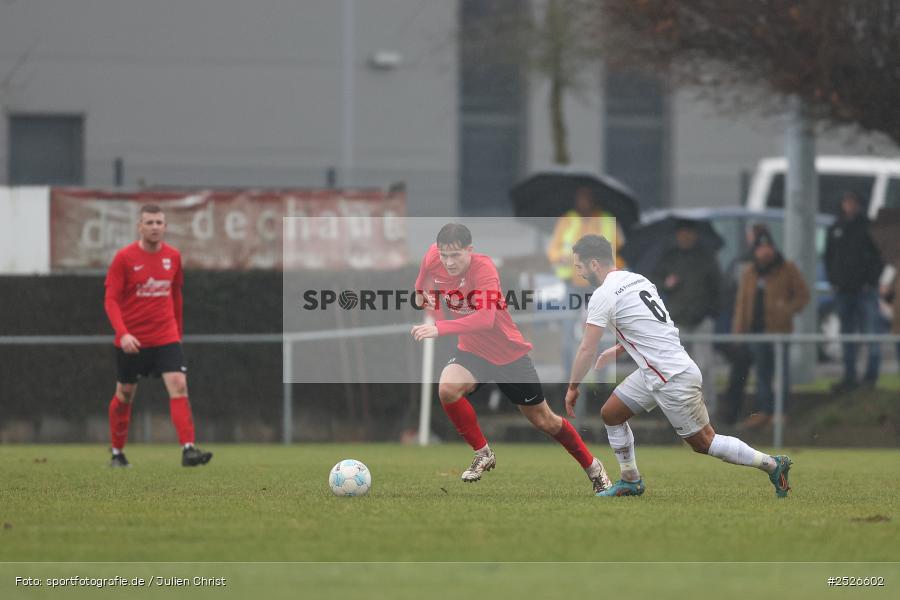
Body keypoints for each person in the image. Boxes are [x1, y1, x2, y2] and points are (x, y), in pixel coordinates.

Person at [563, 234, 792, 498]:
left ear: (593, 264)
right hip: (659, 370)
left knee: (704, 442)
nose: (578, 274)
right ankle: (630, 479)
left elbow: (586, 348)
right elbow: (654, 327)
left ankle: (773, 465)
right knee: (611, 414)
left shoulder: (602, 295)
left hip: (670, 376)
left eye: (579, 267)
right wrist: (619, 348)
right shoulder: (638, 279)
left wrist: (572, 387)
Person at [411, 223, 612, 493]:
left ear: (469, 250)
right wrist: (432, 311)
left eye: (456, 255)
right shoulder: (432, 257)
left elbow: (485, 319)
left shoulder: (484, 270)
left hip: (508, 355)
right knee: (447, 389)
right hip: (472, 351)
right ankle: (483, 452)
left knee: (545, 421)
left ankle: (593, 468)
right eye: (444, 255)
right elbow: (421, 285)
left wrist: (439, 327)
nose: (449, 262)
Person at [104, 204, 212, 468]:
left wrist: (178, 333)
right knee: (125, 394)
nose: (155, 227)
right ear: (139, 226)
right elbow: (111, 300)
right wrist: (123, 333)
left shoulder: (173, 257)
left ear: (165, 227)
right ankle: (117, 453)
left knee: (178, 384)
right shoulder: (124, 258)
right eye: (149, 222)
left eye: (159, 223)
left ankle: (188, 450)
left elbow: (176, 296)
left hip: (166, 336)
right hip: (132, 341)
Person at [732, 230, 809, 429]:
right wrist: (738, 329)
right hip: (756, 333)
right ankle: (764, 412)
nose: (764, 252)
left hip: (778, 332)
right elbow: (742, 302)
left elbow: (803, 296)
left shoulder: (787, 269)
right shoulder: (750, 272)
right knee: (762, 375)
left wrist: (786, 309)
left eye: (768, 247)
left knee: (781, 374)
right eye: (760, 248)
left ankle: (781, 413)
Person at [546, 187, 625, 377]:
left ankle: (601, 380)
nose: (584, 203)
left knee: (601, 336)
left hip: (599, 286)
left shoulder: (606, 220)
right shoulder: (568, 219)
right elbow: (553, 250)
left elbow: (619, 251)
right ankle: (568, 380)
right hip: (572, 284)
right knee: (567, 335)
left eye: (587, 198)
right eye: (580, 198)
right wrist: (561, 258)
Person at [651, 218, 722, 409]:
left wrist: (711, 311)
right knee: (676, 370)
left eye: (689, 233)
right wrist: (667, 283)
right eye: (682, 233)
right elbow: (655, 280)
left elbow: (718, 286)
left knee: (703, 367)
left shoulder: (706, 257)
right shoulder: (669, 257)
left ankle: (708, 409)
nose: (686, 237)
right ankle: (678, 410)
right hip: (678, 320)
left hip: (701, 320)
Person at [825, 191, 885, 392]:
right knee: (847, 334)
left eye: (852, 202)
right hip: (843, 291)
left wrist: (871, 281)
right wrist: (833, 280)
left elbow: (879, 257)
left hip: (865, 291)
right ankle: (849, 376)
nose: (849, 205)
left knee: (871, 333)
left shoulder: (868, 227)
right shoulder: (835, 228)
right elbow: (828, 256)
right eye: (846, 202)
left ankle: (871, 377)